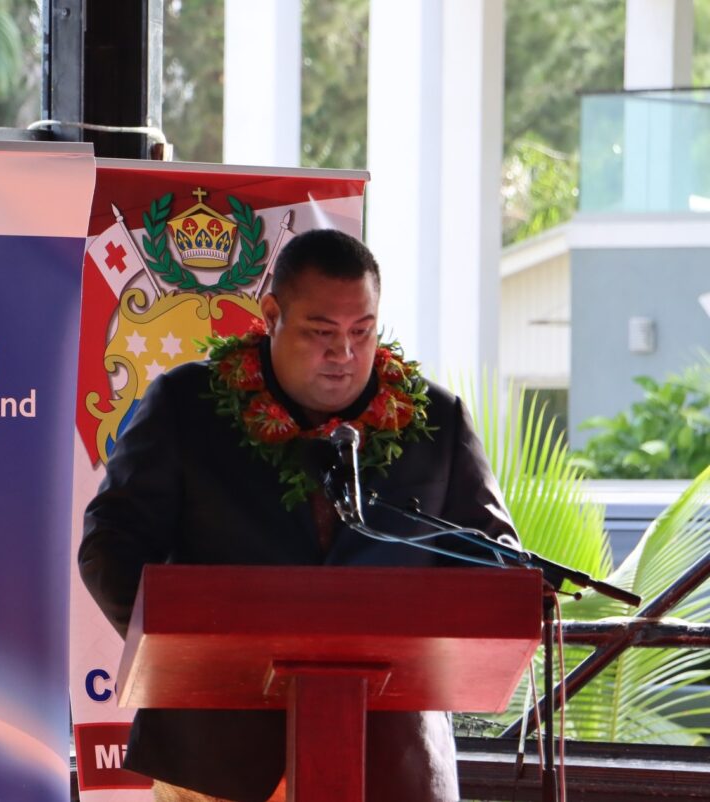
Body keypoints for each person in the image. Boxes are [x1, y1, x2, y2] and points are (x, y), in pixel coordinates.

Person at [79, 228, 517, 802]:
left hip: (389, 761)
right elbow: (109, 545)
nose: (344, 354)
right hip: (215, 754)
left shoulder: (435, 423)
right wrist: (188, 656)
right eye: (320, 332)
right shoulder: (187, 407)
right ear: (270, 313)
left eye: (362, 331)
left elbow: (496, 565)